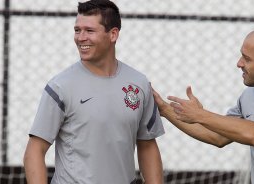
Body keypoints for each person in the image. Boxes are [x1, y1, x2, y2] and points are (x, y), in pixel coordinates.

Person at [23, 1, 165, 184]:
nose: (81, 37)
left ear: (113, 34)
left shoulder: (139, 84)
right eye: (77, 30)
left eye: (89, 31)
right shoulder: (60, 86)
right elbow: (34, 151)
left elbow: (147, 145)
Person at [153, 28, 254, 184]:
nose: (239, 63)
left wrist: (199, 114)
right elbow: (217, 136)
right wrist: (164, 108)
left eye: (247, 58)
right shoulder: (249, 96)